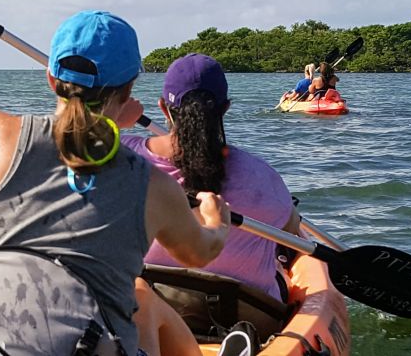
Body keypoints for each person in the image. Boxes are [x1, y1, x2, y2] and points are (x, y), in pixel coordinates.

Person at [0, 11, 231, 356]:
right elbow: (199, 253)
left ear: (51, 79)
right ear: (130, 91)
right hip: (85, 343)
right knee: (143, 302)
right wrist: (216, 220)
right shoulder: (155, 186)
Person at [120, 53, 300, 354]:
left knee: (137, 294)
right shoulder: (264, 177)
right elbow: (293, 242)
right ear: (225, 109)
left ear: (163, 107)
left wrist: (112, 119)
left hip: (150, 306)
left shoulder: (119, 158)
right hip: (249, 314)